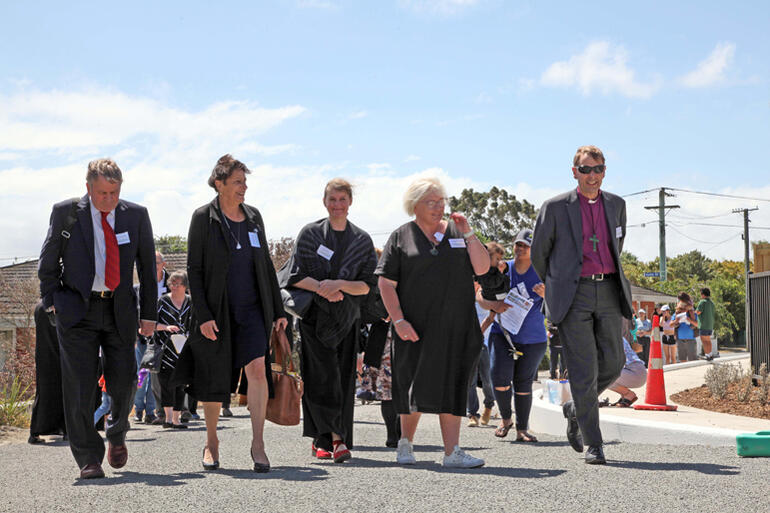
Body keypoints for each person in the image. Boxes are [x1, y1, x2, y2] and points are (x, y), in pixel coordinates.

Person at [38, 158, 157, 479]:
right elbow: (48, 261)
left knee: (125, 379)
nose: (108, 199)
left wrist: (149, 315)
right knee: (78, 385)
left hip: (119, 310)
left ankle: (117, 431)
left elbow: (147, 268)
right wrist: (52, 302)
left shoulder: (136, 215)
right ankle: (88, 457)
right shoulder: (66, 213)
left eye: (114, 192)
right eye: (102, 193)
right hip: (77, 309)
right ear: (88, 188)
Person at [173, 154, 288, 473]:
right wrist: (204, 314)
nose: (244, 187)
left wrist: (277, 309)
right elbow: (194, 270)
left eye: (245, 182)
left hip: (253, 310)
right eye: (238, 182)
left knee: (256, 370)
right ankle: (211, 441)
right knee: (213, 376)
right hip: (216, 312)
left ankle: (258, 444)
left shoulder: (254, 218)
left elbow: (265, 263)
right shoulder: (202, 218)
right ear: (219, 183)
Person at [376, 177, 490, 468]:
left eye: (442, 202)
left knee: (454, 384)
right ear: (414, 205)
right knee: (412, 383)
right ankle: (405, 443)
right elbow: (386, 283)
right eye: (432, 202)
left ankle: (452, 452)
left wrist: (469, 233)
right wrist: (399, 320)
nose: (439, 207)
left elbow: (482, 268)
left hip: (457, 326)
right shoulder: (401, 236)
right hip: (413, 326)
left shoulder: (457, 232)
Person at [531, 145, 633, 465]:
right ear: (574, 172)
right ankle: (594, 443)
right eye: (586, 170)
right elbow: (539, 253)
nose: (592, 176)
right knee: (583, 369)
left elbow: (617, 244)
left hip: (608, 290)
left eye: (598, 169)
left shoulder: (617, 204)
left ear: (605, 172)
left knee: (615, 363)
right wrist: (556, 284)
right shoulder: (555, 207)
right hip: (573, 296)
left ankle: (576, 407)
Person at [279, 178, 377, 463]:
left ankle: (332, 439)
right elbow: (294, 275)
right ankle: (332, 439)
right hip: (314, 318)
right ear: (325, 202)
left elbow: (367, 285)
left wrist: (339, 285)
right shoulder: (310, 234)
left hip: (347, 319)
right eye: (332, 200)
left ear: (350, 203)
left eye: (342, 200)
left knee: (343, 378)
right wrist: (324, 287)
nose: (337, 205)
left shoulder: (362, 240)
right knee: (319, 377)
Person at [477, 228, 547, 443]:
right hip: (502, 332)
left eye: (525, 246)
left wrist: (548, 294)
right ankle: (506, 419)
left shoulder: (542, 272)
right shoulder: (503, 267)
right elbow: (479, 294)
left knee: (523, 382)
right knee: (498, 377)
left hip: (533, 337)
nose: (520, 249)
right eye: (518, 244)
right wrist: (494, 305)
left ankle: (522, 429)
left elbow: (560, 302)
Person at [154, 271, 193, 429]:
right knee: (167, 383)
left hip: (184, 349)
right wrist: (166, 327)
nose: (174, 287)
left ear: (185, 286)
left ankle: (176, 419)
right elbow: (152, 324)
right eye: (172, 284)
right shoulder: (162, 301)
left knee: (181, 384)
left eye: (178, 284)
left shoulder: (191, 302)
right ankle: (168, 419)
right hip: (166, 349)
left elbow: (195, 323)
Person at [28, 301, 67, 444]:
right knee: (64, 391)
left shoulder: (40, 307)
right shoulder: (61, 306)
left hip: (43, 356)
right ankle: (66, 429)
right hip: (60, 355)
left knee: (43, 391)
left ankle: (36, 431)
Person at [604, 338, 647, 407]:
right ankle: (624, 396)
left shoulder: (610, 338)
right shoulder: (615, 335)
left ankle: (628, 394)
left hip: (635, 372)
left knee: (602, 375)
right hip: (637, 371)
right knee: (603, 373)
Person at [673, 292, 698, 362]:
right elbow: (678, 308)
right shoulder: (680, 302)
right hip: (680, 338)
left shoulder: (689, 301)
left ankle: (692, 325)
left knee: (691, 313)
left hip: (689, 311)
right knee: (682, 359)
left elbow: (689, 307)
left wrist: (686, 310)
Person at [696, 287, 716, 361]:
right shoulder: (712, 303)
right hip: (710, 325)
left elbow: (698, 312)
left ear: (703, 294)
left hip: (703, 325)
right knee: (708, 340)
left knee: (704, 341)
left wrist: (695, 311)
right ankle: (710, 354)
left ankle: (707, 355)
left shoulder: (702, 302)